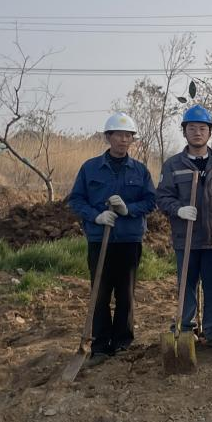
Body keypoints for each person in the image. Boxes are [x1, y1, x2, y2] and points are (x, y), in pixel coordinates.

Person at [67, 113, 156, 362]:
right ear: (108, 137)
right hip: (99, 240)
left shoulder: (140, 170)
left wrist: (128, 209)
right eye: (119, 135)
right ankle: (100, 344)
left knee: (126, 294)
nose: (123, 140)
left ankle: (122, 343)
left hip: (129, 240)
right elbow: (76, 199)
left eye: (128, 136)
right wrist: (96, 216)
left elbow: (151, 201)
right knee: (100, 293)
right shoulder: (90, 168)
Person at [155, 104, 212, 351]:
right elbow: (162, 197)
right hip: (186, 237)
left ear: (210, 132)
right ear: (184, 131)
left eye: (202, 128)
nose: (197, 133)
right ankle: (186, 328)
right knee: (186, 284)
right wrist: (178, 209)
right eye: (192, 128)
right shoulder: (173, 165)